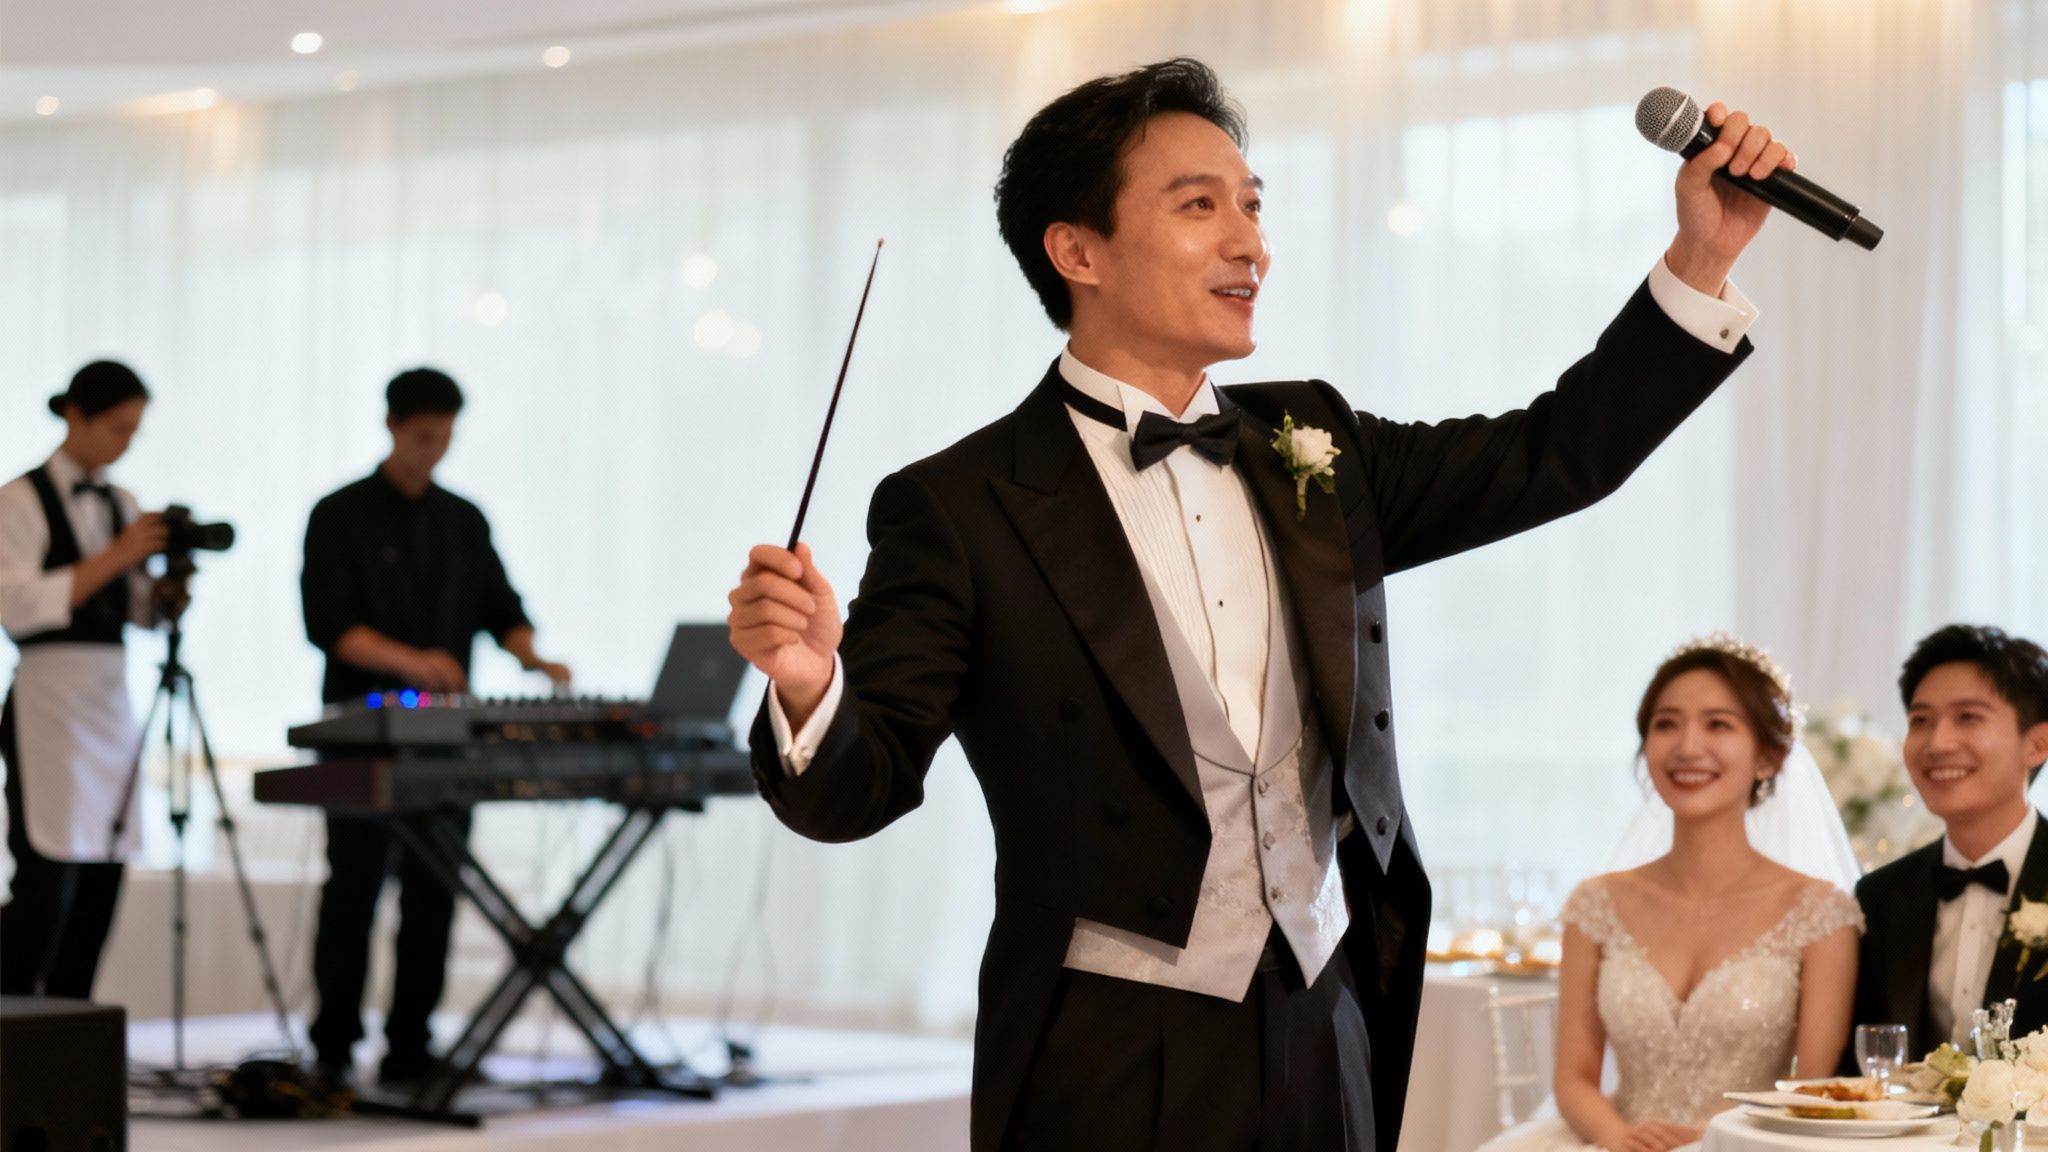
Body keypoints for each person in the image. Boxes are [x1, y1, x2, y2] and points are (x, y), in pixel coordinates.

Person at [727, 58, 1790, 1150]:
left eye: (1251, 204)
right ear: (1075, 251)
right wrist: (811, 687)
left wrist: (1701, 254)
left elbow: (1554, 455)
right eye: (1198, 205)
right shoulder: (957, 506)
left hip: (1326, 1012)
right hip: (1103, 1051)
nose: (1249, 243)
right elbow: (856, 790)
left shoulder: (1312, 444)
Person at [1479, 637, 1862, 1152]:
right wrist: (1618, 1136)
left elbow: (1811, 1087)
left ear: (1768, 756)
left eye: (1718, 724)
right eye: (1666, 723)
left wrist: (1716, 1139)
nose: (1687, 746)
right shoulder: (1596, 904)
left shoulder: (1821, 913)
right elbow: (1574, 1079)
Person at [300, 367, 571, 1088]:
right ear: (392, 427)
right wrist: (412, 662)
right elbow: (329, 626)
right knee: (353, 889)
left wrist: (536, 659)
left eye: (446, 438)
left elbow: (500, 606)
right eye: (424, 436)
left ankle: (410, 1044)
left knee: (435, 893)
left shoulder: (464, 519)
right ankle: (332, 1043)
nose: (435, 451)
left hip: (449, 740)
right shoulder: (339, 514)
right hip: (361, 731)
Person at [0, 360, 170, 998]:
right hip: (47, 696)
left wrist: (159, 589)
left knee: (103, 880)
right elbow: (14, 604)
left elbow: (134, 609)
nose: (124, 443)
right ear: (76, 416)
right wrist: (117, 557)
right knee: (46, 885)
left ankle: (76, 1031)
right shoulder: (17, 500)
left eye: (134, 432)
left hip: (110, 698)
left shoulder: (121, 502)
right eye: (116, 428)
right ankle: (15, 1029)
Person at [1850, 625, 2048, 1060]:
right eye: (1920, 720)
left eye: (1968, 717)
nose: (1937, 743)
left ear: (2037, 744)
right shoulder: (1881, 895)